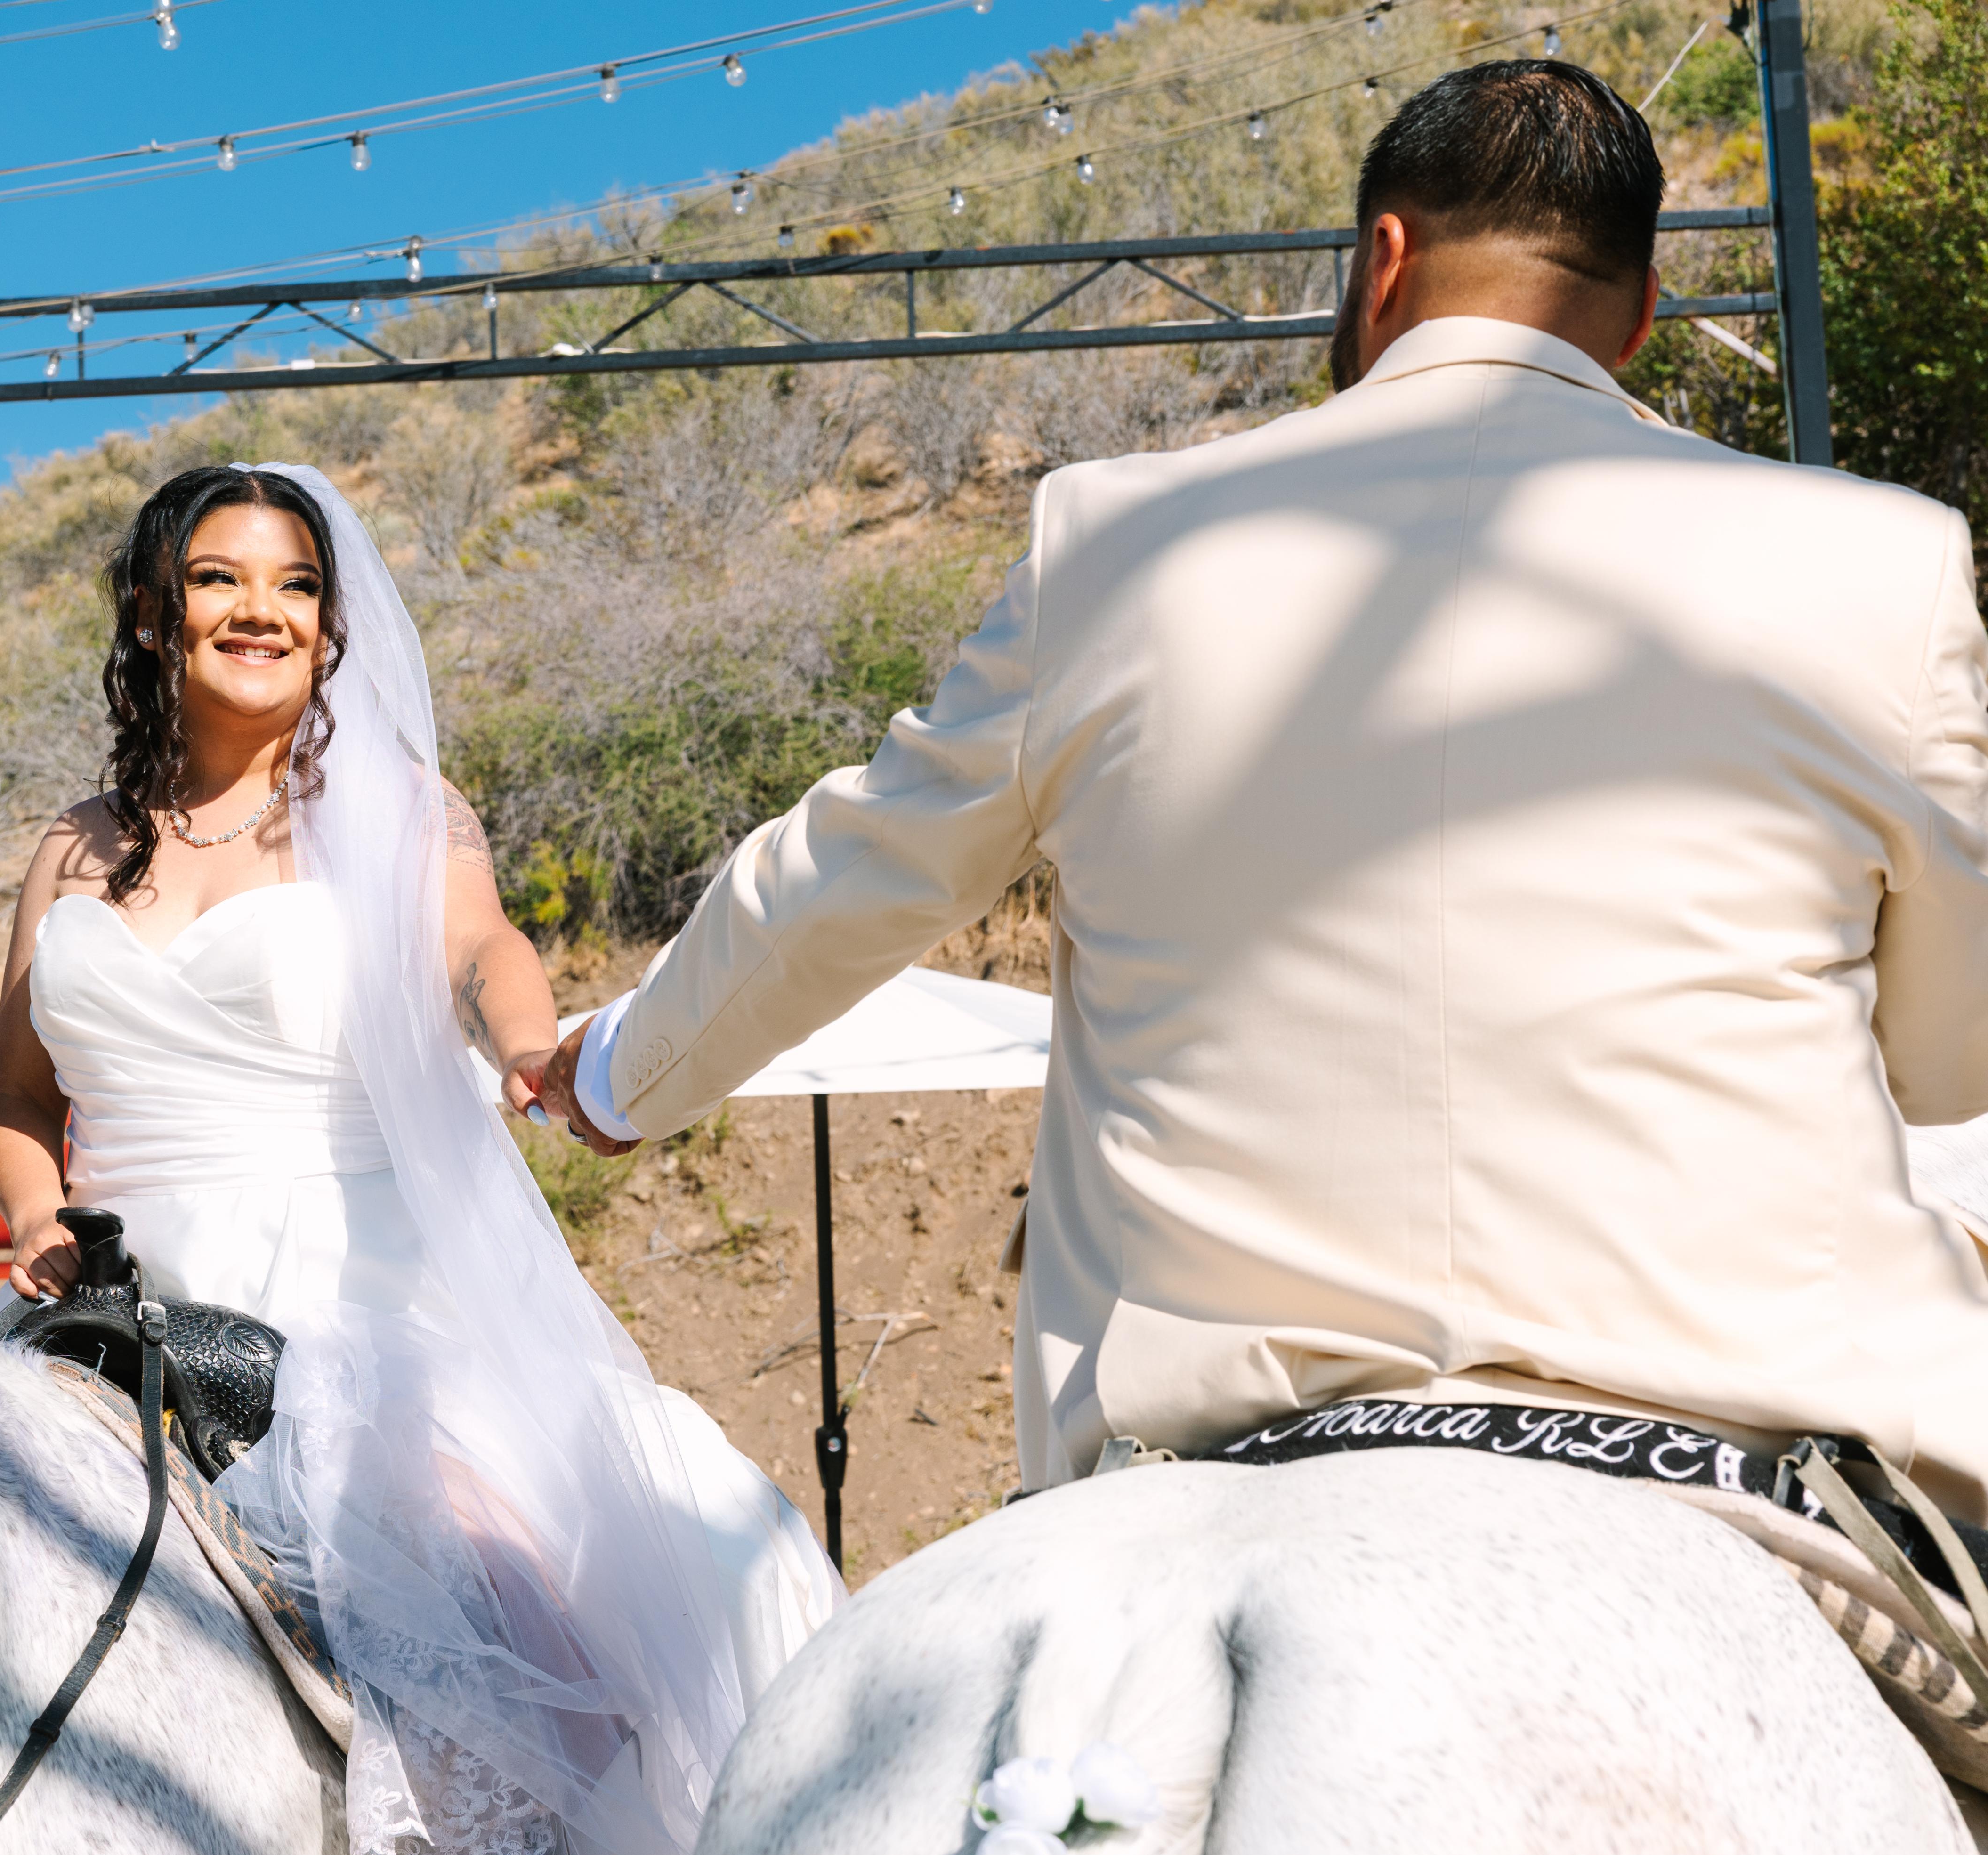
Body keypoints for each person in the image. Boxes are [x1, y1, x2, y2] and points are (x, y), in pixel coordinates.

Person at [543, 61, 1988, 1523]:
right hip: (1747, 1437)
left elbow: (853, 877)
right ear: (1642, 315)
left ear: (1383, 262)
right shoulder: (1886, 563)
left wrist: (620, 1077)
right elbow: (1950, 1065)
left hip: (1207, 1445)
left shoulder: (1113, 540)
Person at [0, 463, 839, 1855]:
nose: (262, 610)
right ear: (148, 612)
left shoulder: (397, 812)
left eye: (298, 586)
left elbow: (484, 949)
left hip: (347, 1307)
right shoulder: (75, 847)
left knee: (503, 1607)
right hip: (111, 1316)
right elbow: (19, 1095)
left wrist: (527, 1044)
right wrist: (30, 1213)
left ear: (332, 627)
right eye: (219, 578)